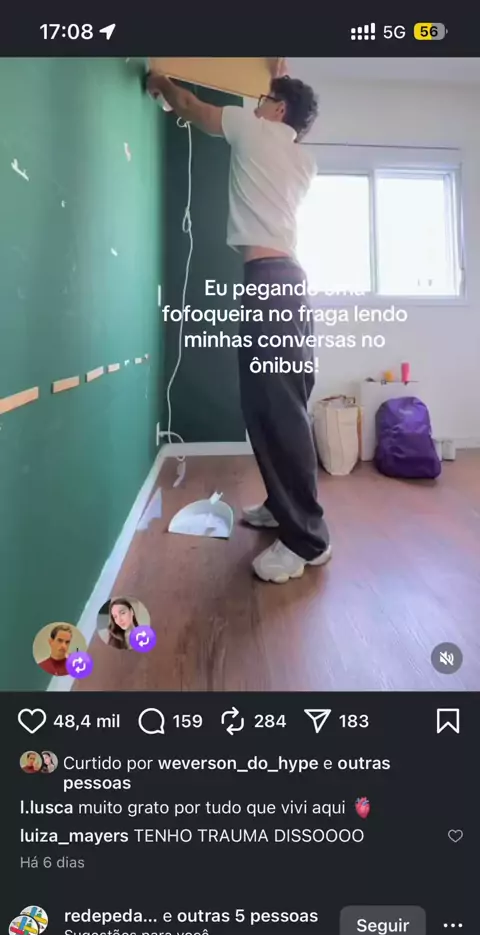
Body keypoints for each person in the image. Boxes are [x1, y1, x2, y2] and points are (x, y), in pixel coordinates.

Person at [147, 59, 331, 584]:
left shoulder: (254, 130)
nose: (255, 105)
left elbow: (190, 106)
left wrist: (159, 80)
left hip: (271, 284)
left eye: (263, 100)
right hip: (283, 283)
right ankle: (282, 505)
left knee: (278, 409)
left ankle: (308, 540)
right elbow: (280, 114)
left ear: (277, 109)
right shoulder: (301, 159)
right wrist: (275, 78)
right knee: (269, 404)